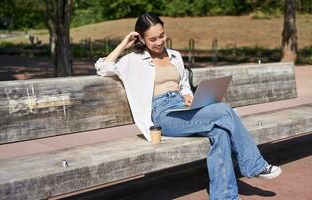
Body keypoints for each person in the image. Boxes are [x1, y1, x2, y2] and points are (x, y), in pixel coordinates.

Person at [95, 13, 282, 200]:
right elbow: (102, 68)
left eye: (161, 35)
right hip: (163, 116)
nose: (159, 42)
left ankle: (224, 197)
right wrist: (123, 44)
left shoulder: (175, 56)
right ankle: (255, 165)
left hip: (183, 110)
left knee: (220, 133)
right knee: (225, 111)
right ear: (141, 39)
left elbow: (183, 83)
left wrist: (187, 95)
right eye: (152, 39)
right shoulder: (134, 60)